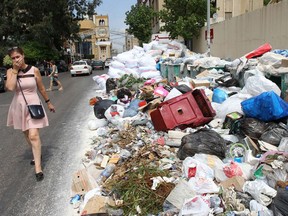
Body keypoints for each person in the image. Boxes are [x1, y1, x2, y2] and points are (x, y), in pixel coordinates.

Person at [5, 46, 56, 182]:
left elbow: (41, 88)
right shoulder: (10, 71)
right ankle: (35, 152)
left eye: (18, 56)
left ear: (23, 55)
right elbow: (10, 88)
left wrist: (48, 102)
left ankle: (38, 168)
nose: (16, 59)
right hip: (19, 106)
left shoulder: (34, 70)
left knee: (33, 135)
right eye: (13, 58)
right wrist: (15, 71)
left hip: (33, 104)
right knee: (27, 134)